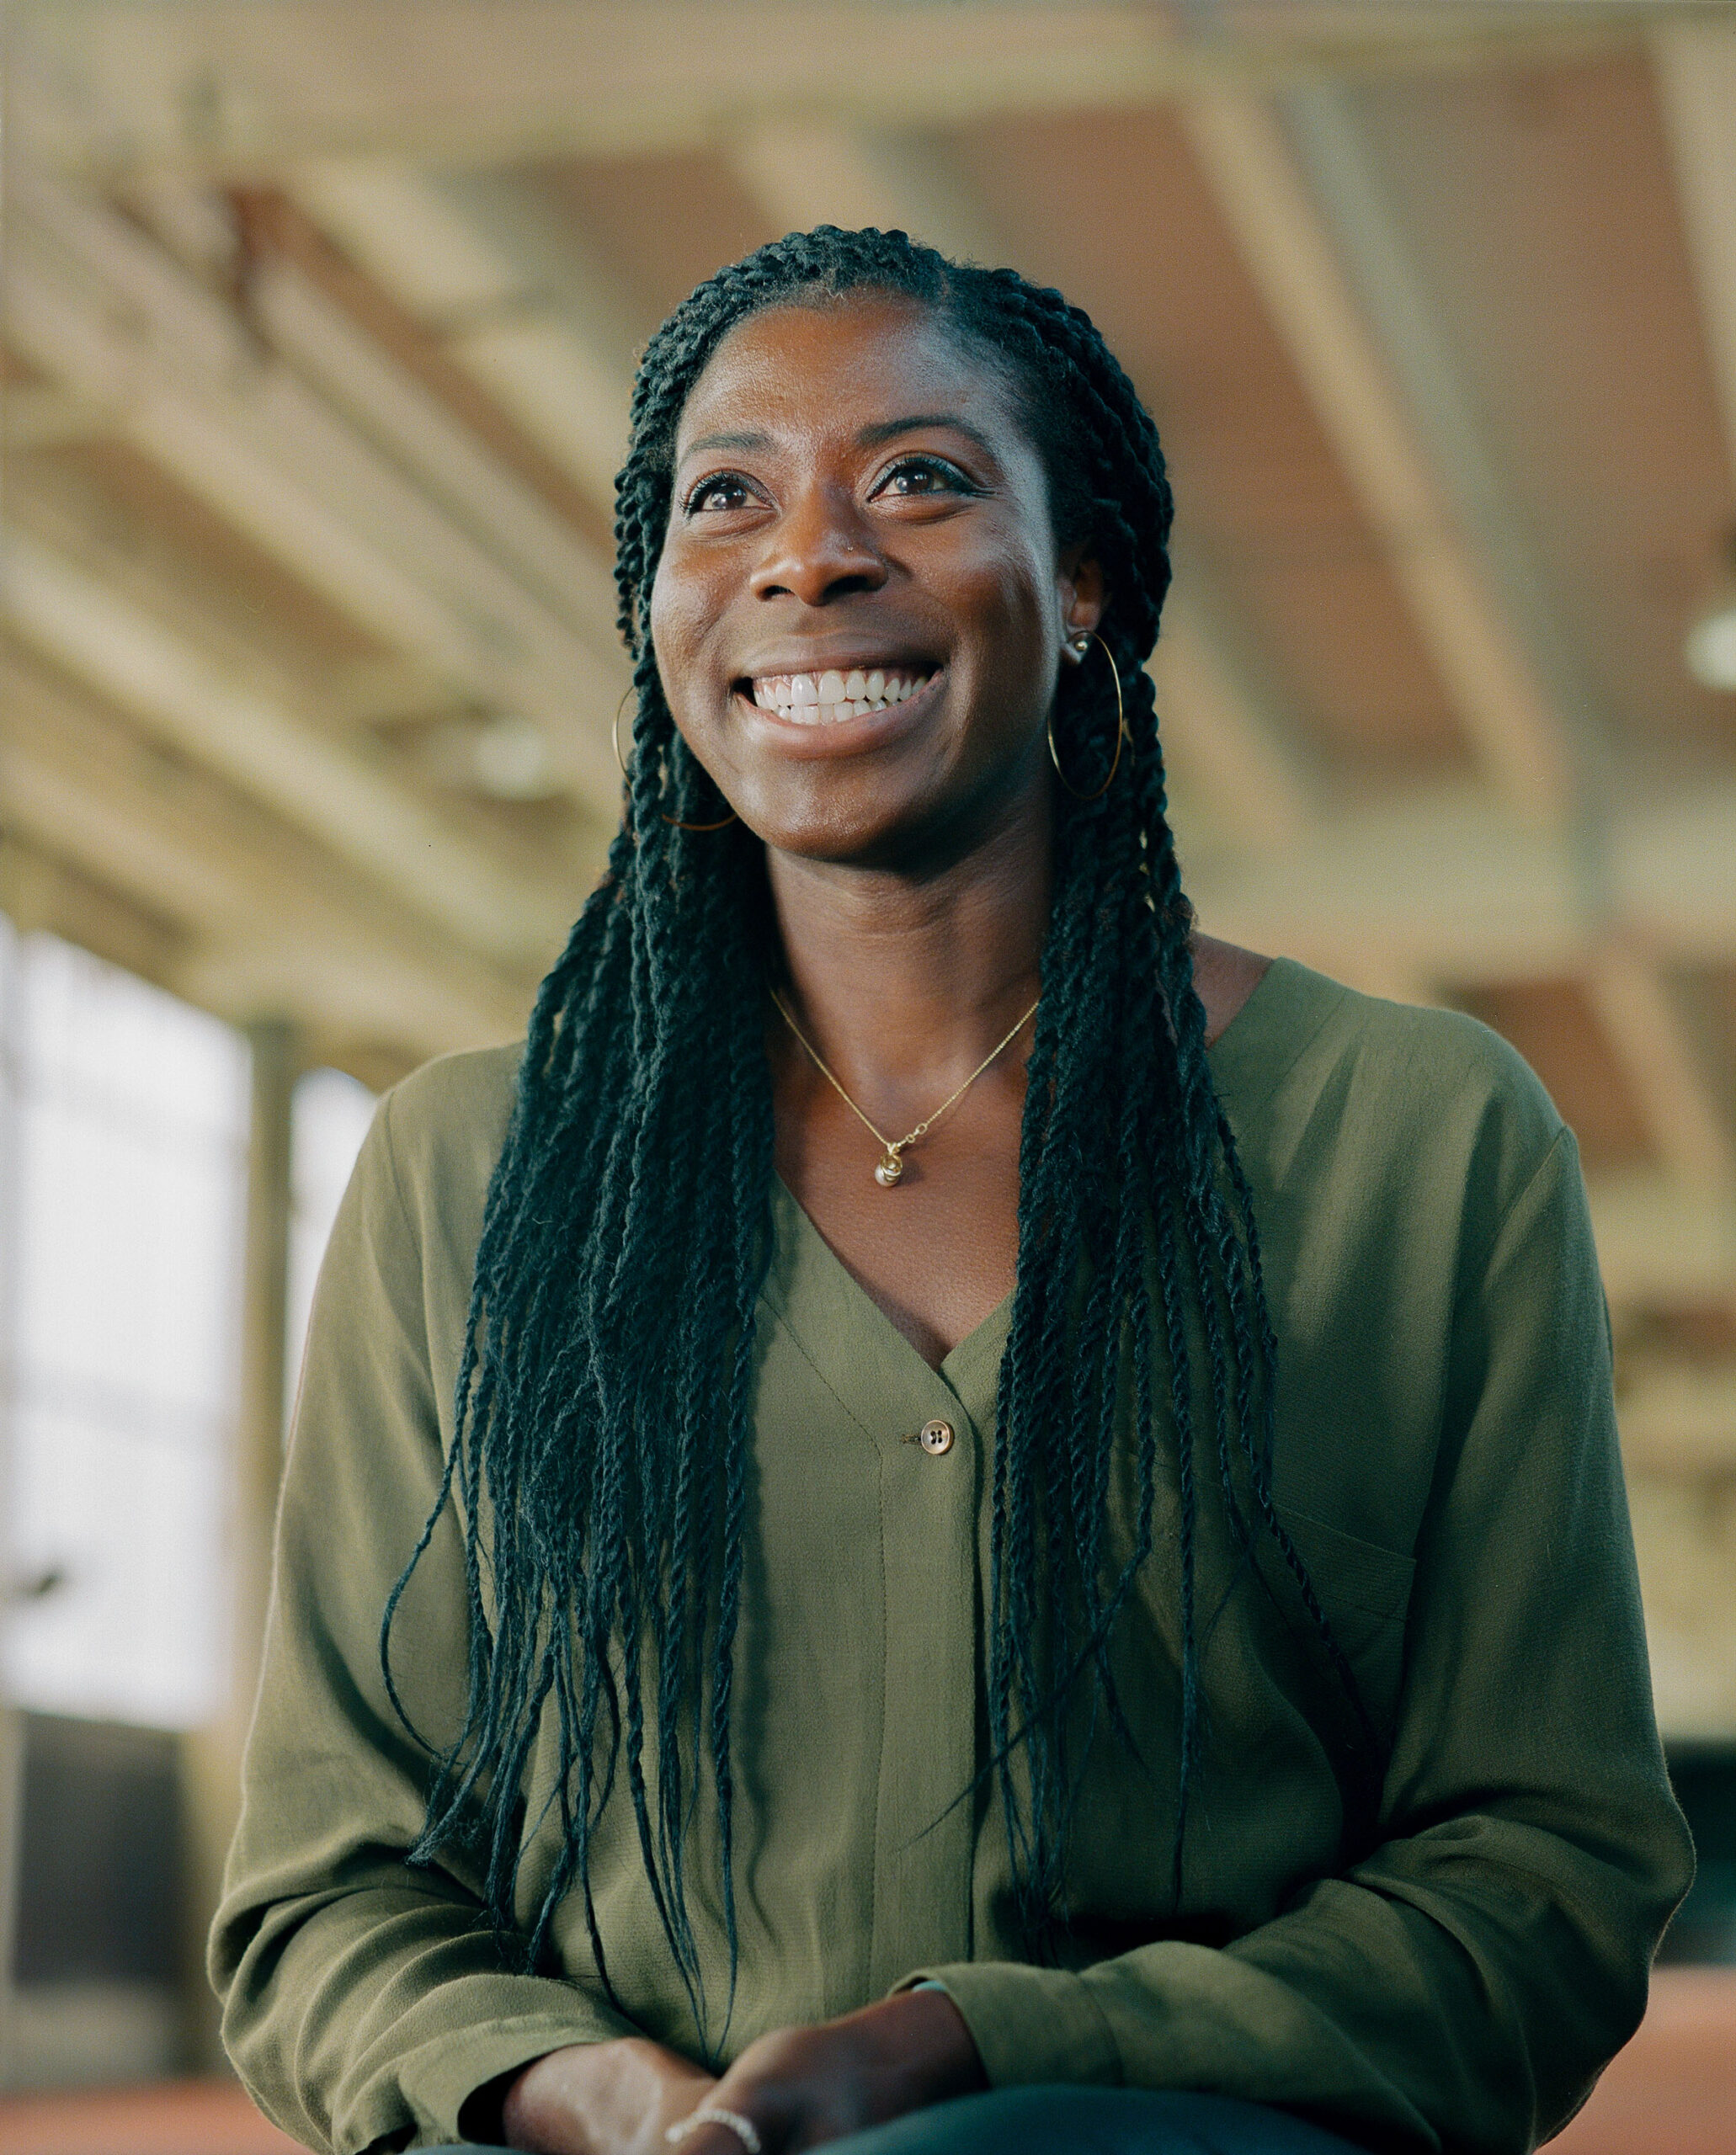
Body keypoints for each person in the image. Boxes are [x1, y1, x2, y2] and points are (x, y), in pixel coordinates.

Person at [210, 228, 1692, 2155]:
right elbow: (325, 1893)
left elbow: (1544, 1877)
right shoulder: (461, 1174)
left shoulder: (1417, 1140)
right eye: (721, 496)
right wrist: (583, 2093)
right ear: (660, 605)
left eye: (916, 477)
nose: (804, 552)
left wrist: (974, 2056)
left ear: (1081, 582)